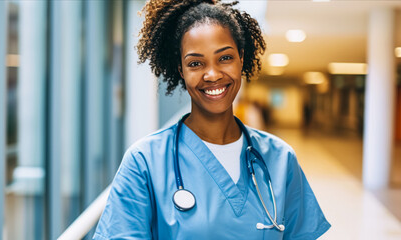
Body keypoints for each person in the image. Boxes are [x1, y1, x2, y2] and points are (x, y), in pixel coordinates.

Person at [94, 0, 330, 239]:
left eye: (225, 58)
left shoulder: (280, 159)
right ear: (181, 70)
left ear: (241, 58)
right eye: (195, 63)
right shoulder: (145, 161)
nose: (213, 74)